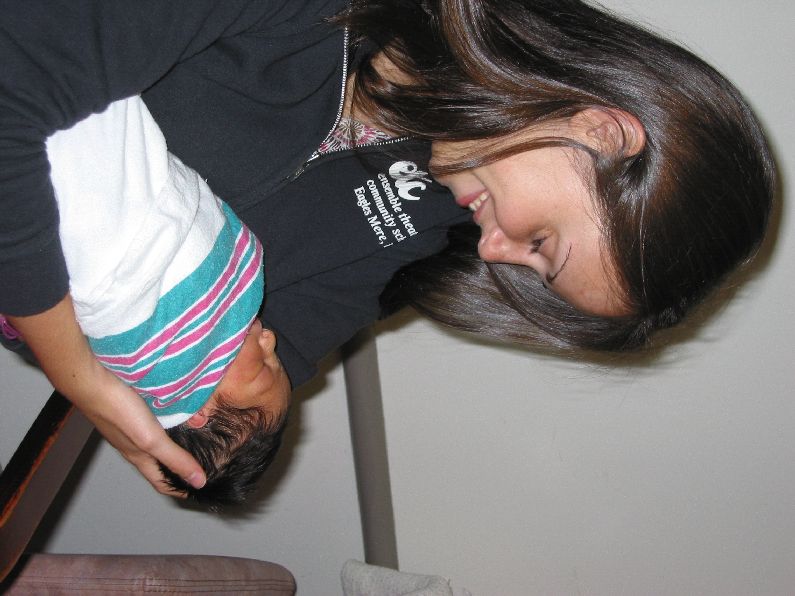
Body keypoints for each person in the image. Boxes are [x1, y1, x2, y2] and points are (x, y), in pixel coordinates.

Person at [0, 0, 774, 496]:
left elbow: (241, 375)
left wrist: (200, 448)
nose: (495, 252)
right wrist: (77, 371)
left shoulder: (431, 216)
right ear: (600, 130)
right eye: (542, 243)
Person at [0, 96, 291, 504]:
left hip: (52, 134)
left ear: (198, 410)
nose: (271, 341)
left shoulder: (129, 311)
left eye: (262, 369)